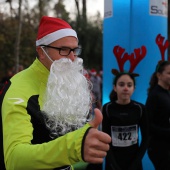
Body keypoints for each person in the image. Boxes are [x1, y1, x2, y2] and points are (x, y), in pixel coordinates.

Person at [0, 16, 111, 170]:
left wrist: (85, 138)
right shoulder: (18, 89)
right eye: (63, 50)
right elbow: (14, 159)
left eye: (75, 50)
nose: (72, 58)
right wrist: (74, 147)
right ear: (41, 52)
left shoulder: (65, 82)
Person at [102, 70, 149, 170]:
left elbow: (146, 138)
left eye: (129, 85)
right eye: (121, 84)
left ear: (134, 89)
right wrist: (113, 165)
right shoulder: (107, 108)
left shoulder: (140, 109)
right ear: (115, 87)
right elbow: (105, 140)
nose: (126, 88)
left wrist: (136, 163)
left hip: (134, 162)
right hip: (113, 163)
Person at [145, 60, 170, 170]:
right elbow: (148, 124)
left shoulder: (166, 93)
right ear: (159, 75)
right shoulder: (154, 95)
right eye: (169, 73)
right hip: (159, 147)